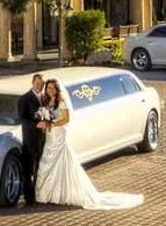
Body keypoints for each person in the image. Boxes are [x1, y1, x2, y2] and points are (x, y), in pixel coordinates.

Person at [35, 79, 144, 210]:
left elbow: (66, 118)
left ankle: (62, 194)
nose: (50, 90)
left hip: (59, 134)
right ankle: (50, 194)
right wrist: (44, 121)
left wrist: (52, 123)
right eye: (48, 88)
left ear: (57, 89)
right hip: (50, 136)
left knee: (60, 161)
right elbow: (45, 117)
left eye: (53, 88)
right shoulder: (47, 102)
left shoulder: (61, 101)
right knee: (48, 162)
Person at [16, 74, 47, 207]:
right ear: (32, 82)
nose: (39, 86)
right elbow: (22, 119)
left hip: (43, 139)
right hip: (30, 140)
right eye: (37, 83)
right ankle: (29, 199)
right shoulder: (24, 99)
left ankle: (39, 194)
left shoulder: (44, 99)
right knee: (29, 170)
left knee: (40, 169)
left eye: (41, 84)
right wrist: (36, 125)